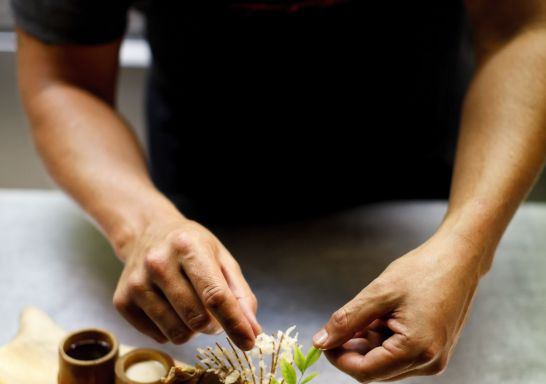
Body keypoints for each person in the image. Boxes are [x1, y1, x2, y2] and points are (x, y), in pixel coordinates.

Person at [12, 0, 546, 381]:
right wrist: (142, 222)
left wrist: (465, 246)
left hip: (421, 159)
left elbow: (524, 27)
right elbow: (64, 79)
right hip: (203, 169)